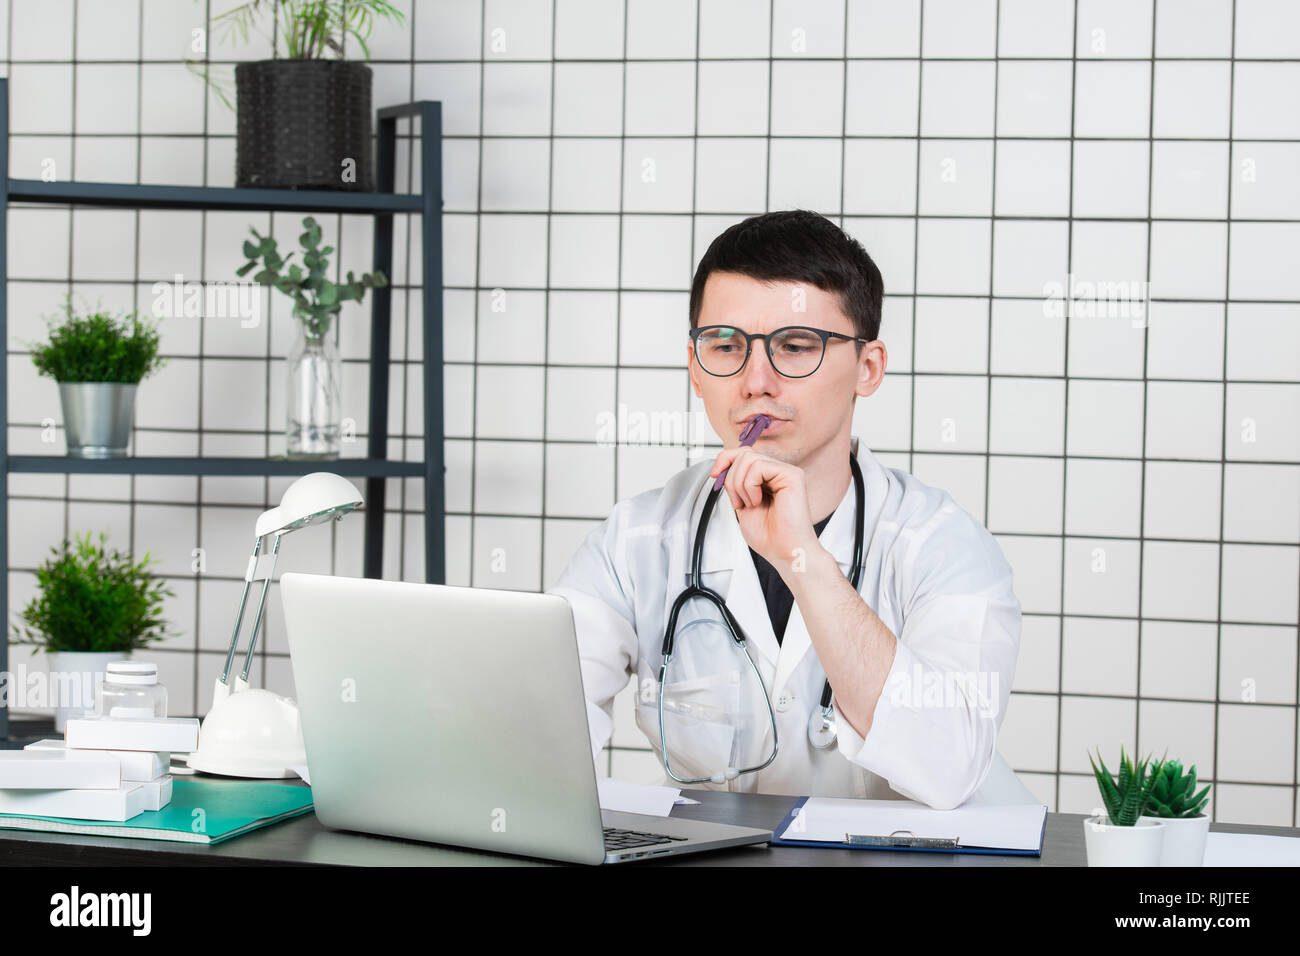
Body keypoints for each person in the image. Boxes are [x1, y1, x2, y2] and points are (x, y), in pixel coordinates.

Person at [547, 209, 1035, 809]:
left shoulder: (941, 545)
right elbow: (537, 732)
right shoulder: (638, 540)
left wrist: (803, 559)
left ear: (867, 368)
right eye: (725, 345)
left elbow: (949, 765)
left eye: (795, 346)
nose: (756, 381)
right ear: (696, 371)